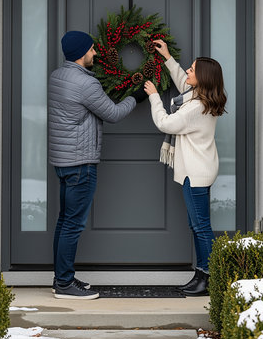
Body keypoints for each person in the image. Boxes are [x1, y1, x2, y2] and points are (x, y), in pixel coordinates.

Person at [48, 30, 147, 300]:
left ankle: (61, 278)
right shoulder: (85, 84)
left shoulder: (58, 76)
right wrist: (136, 97)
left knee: (64, 222)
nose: (96, 54)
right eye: (92, 49)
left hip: (63, 161)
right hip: (81, 163)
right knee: (72, 225)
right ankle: (65, 284)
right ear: (81, 54)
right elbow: (113, 114)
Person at [144, 39, 227, 296]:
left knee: (201, 227)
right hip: (201, 168)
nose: (188, 72)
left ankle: (210, 278)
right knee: (197, 225)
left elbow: (166, 124)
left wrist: (154, 97)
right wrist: (167, 57)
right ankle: (201, 273)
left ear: (202, 78)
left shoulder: (195, 107)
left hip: (196, 173)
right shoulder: (199, 97)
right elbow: (183, 82)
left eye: (192, 69)